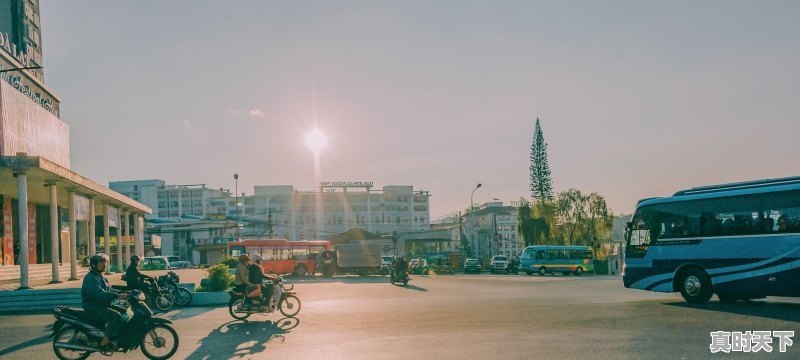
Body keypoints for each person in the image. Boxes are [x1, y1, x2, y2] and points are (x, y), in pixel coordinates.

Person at [82, 254, 127, 348]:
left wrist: (124, 292)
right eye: (101, 262)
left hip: (102, 305)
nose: (104, 264)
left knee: (124, 311)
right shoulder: (91, 278)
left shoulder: (101, 276)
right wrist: (116, 295)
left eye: (105, 262)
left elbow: (108, 290)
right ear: (94, 265)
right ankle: (105, 340)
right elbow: (99, 294)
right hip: (93, 306)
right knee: (116, 316)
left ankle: (116, 336)